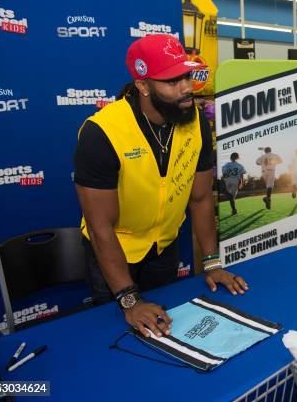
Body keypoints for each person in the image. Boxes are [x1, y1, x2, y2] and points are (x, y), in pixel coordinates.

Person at [74, 34, 248, 338]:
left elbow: (201, 198)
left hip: (164, 250)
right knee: (121, 338)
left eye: (186, 76)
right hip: (115, 254)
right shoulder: (102, 133)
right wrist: (129, 300)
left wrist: (212, 264)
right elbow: (100, 226)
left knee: (167, 331)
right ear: (142, 86)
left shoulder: (195, 121)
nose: (186, 88)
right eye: (171, 81)